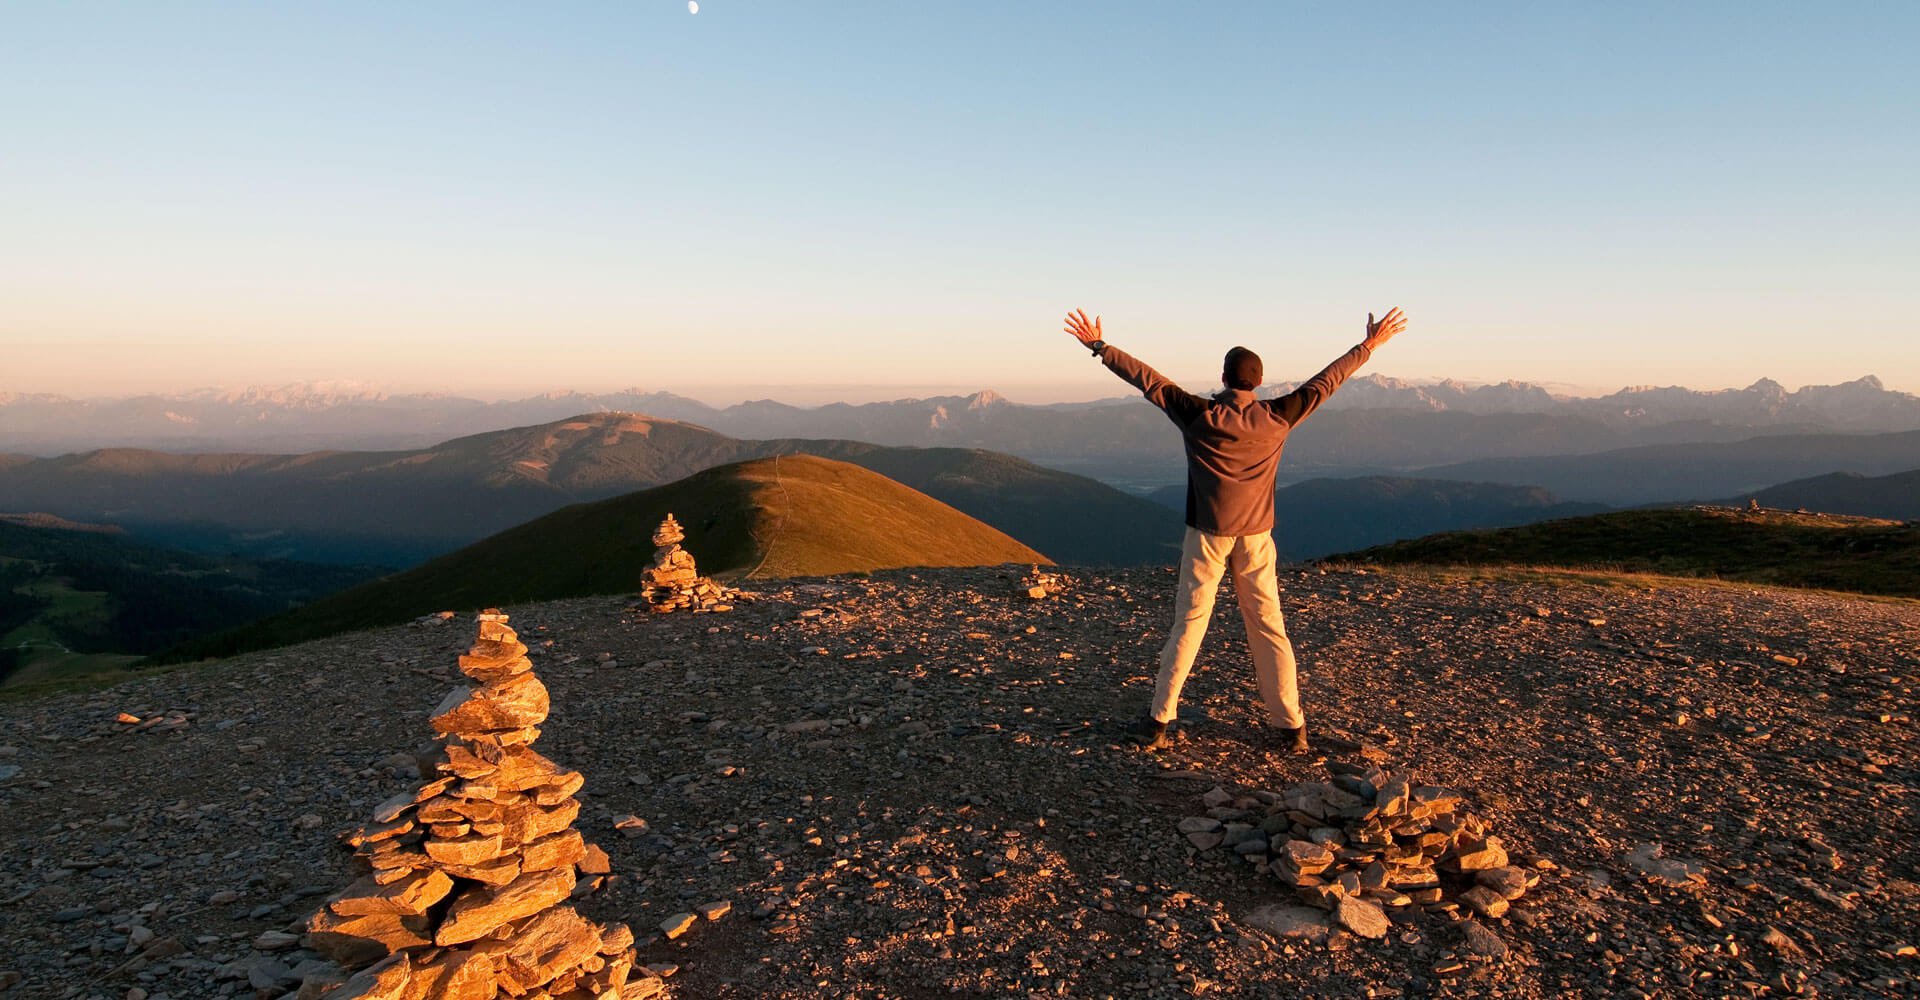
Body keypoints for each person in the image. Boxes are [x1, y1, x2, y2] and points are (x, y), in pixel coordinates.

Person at [1062, 306, 1408, 753]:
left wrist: (1100, 348)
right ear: (1258, 382)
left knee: (1189, 622)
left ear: (1223, 378)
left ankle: (1158, 721)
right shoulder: (1279, 416)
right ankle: (1291, 727)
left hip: (1208, 535)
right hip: (1258, 538)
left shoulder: (1198, 414)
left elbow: (1148, 380)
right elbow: (1327, 382)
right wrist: (1369, 345)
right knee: (1269, 626)